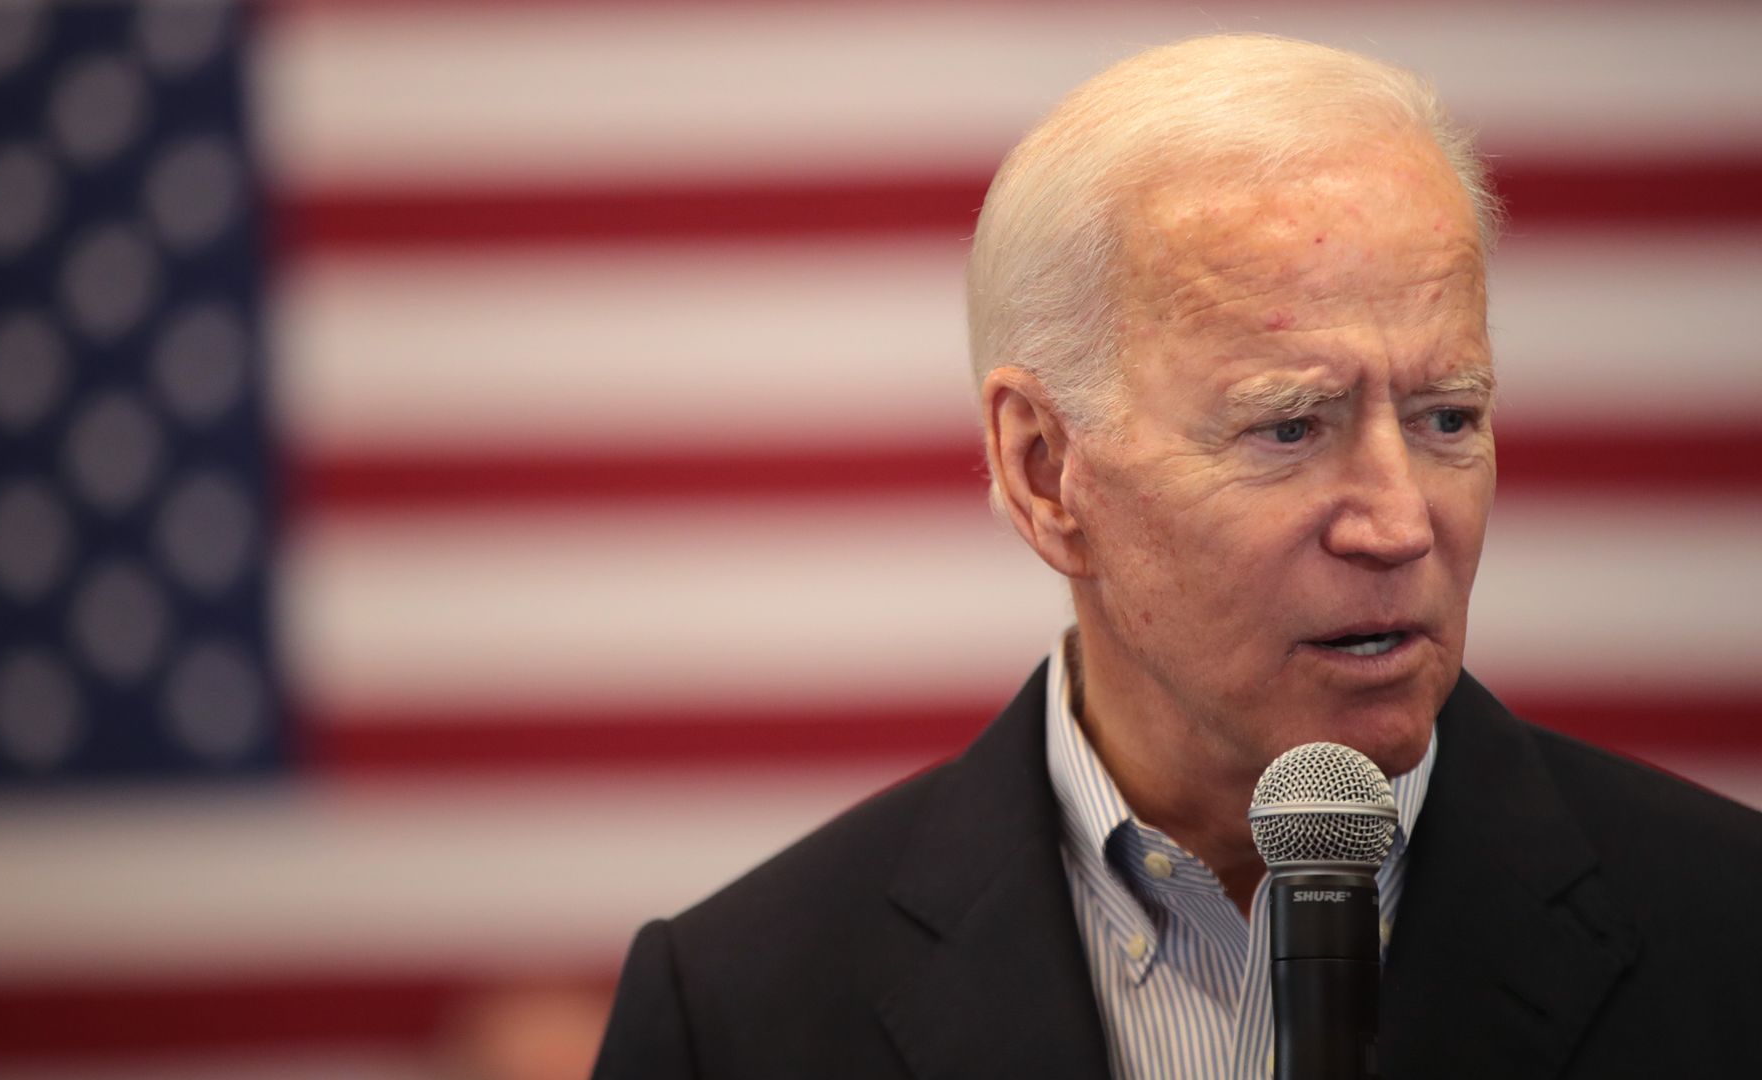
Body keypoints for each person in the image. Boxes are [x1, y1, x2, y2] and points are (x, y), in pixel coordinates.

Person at [591, 34, 1762, 1079]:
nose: (1401, 524)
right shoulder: (737, 1014)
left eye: (1447, 416)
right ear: (1046, 469)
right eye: (1289, 426)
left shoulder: (1732, 933)